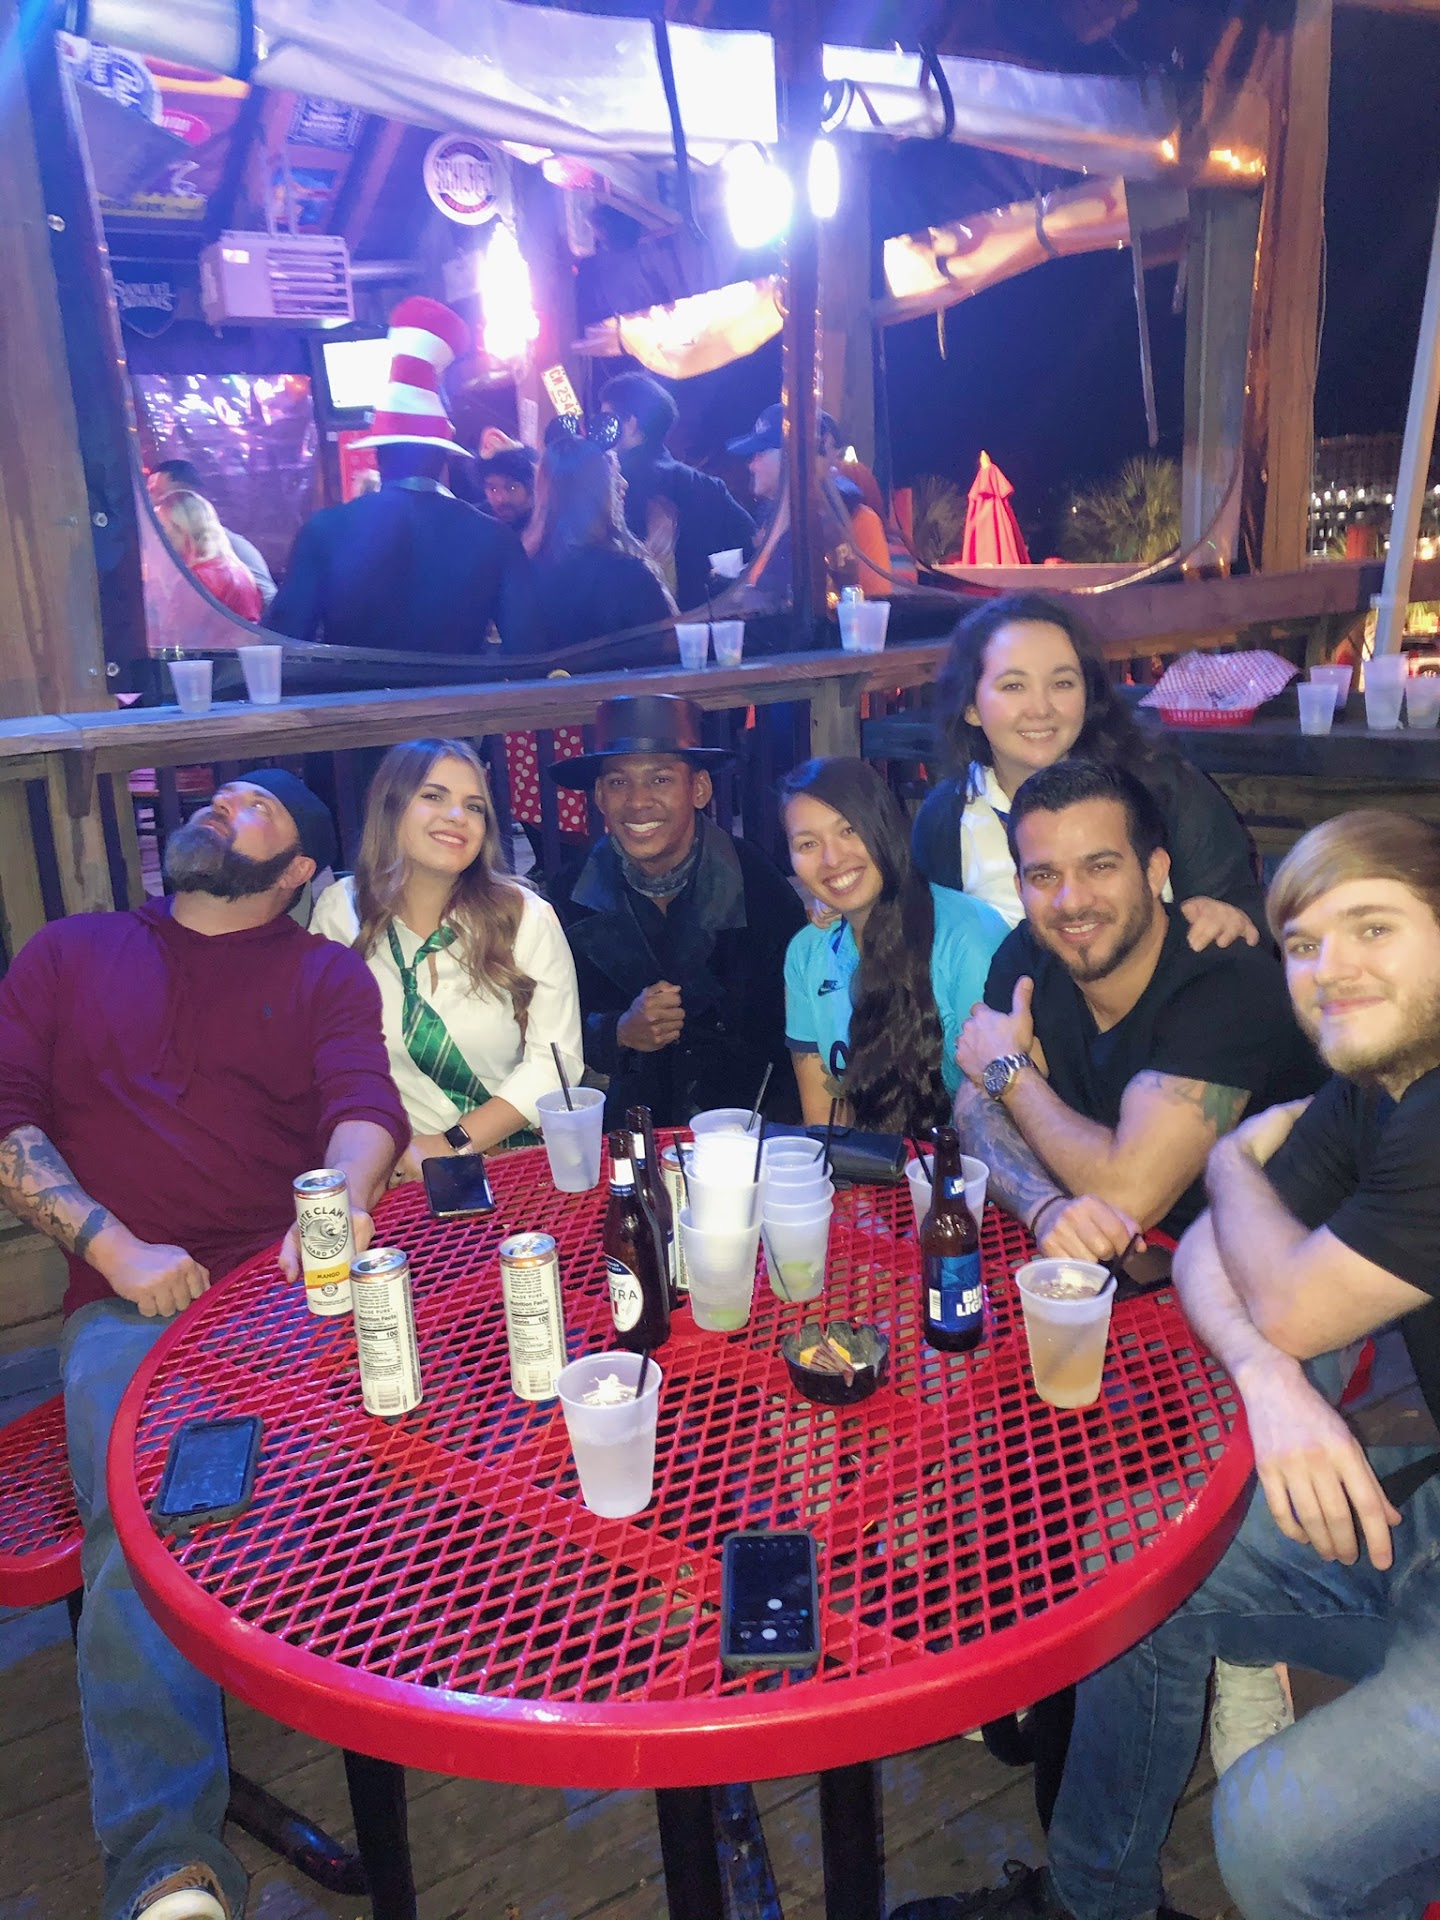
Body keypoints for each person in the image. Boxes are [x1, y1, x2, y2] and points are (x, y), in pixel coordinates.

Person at [917, 808, 1440, 1920]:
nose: (1331, 970)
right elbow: (1207, 1255)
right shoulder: (1375, 1085)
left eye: (1373, 929)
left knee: (1269, 1836)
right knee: (1137, 1561)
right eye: (1305, 944)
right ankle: (1094, 1900)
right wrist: (1267, 1376)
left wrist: (1237, 1171)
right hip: (1426, 1526)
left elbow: (1276, 1288)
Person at [0, 770, 408, 1920]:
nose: (222, 807)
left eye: (256, 807)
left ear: (298, 872)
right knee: (145, 1511)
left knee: (414, 1440)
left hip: (280, 1294)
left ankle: (327, 1640)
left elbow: (365, 1107)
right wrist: (115, 1247)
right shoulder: (70, 953)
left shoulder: (322, 974)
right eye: (219, 798)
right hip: (128, 1307)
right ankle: (168, 1863)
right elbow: (4, 1114)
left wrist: (339, 1201)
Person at [953, 759, 1323, 1263]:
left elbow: (1127, 1197)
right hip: (1129, 1268)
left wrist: (1012, 1074)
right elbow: (975, 1106)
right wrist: (1046, 1209)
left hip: (1271, 1274)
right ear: (1020, 888)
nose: (1071, 901)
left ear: (1154, 872)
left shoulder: (1227, 986)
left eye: (1100, 867)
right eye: (1044, 875)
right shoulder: (1027, 959)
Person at [912, 593, 1267, 941]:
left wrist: (1227, 918)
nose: (1041, 708)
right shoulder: (946, 821)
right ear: (971, 707)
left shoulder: (1160, 786)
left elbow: (1247, 915)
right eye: (1014, 685)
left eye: (1062, 683)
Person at [311, 738, 582, 1169]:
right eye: (434, 796)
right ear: (391, 807)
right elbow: (327, 1059)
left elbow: (557, 1063)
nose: (457, 816)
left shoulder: (526, 916)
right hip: (389, 1169)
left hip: (511, 1162)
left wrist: (449, 1144)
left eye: (474, 806)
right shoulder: (340, 910)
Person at [551, 693, 805, 1127]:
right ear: (599, 796)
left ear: (699, 789)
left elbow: (798, 1022)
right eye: (618, 782)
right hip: (624, 1134)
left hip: (746, 1130)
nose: (638, 801)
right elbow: (544, 1028)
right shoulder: (567, 897)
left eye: (660, 779)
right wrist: (616, 1032)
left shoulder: (757, 883)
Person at [266, 298, 543, 656]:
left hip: (353, 693)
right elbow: (528, 649)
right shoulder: (494, 538)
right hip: (464, 694)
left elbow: (282, 643)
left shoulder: (325, 530)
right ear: (443, 455)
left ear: (378, 453)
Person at [780, 756, 1006, 1134]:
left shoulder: (968, 938)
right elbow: (824, 1122)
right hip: (867, 1166)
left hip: (965, 1162)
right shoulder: (807, 953)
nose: (832, 859)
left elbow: (1004, 1114)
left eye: (849, 830)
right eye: (808, 843)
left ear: (884, 827)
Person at [599, 370, 755, 612]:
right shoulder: (708, 486)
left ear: (630, 425)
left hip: (636, 627)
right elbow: (754, 545)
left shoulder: (611, 486)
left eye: (606, 420)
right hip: (701, 623)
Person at [729, 402, 892, 601]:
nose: (751, 466)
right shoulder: (770, 521)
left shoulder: (858, 520)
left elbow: (877, 608)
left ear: (787, 457)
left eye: (759, 454)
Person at [147, 459, 276, 610]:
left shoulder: (230, 551)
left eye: (161, 494)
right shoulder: (177, 554)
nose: (154, 503)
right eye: (149, 493)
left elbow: (269, 603)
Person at [152, 488, 263, 622]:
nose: (156, 536)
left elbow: (176, 631)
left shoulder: (197, 580)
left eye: (161, 528)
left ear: (183, 529)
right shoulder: (237, 569)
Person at [477, 431, 538, 536]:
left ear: (531, 486)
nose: (500, 498)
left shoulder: (547, 525)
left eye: (512, 488)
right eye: (493, 489)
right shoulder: (478, 521)